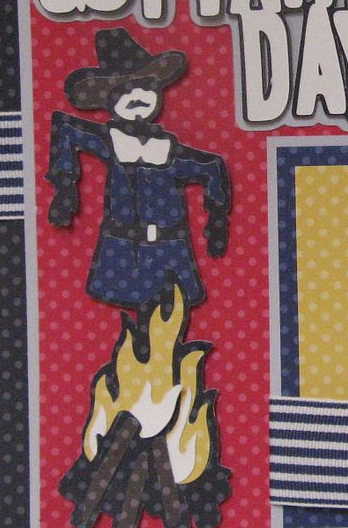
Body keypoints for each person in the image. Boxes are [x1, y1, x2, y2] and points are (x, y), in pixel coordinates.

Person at [46, 28, 230, 316]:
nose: (136, 96)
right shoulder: (112, 141)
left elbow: (211, 165)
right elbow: (65, 127)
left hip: (170, 251)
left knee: (170, 316)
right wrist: (65, 188)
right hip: (121, 253)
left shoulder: (169, 150)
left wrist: (217, 218)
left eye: (145, 87)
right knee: (133, 322)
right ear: (110, 101)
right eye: (124, 91)